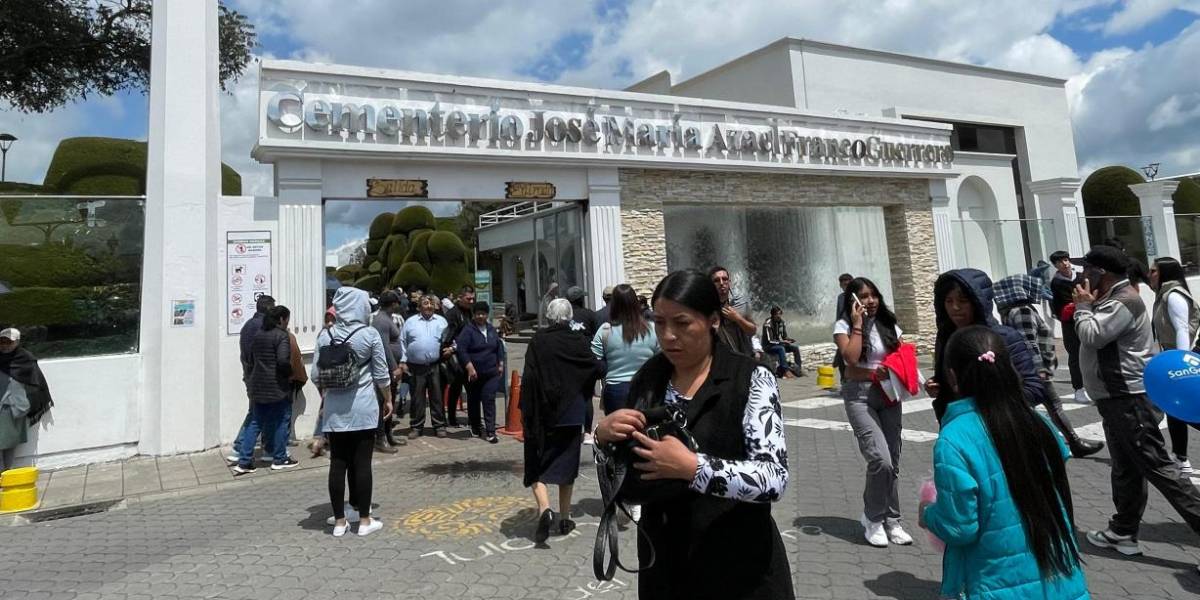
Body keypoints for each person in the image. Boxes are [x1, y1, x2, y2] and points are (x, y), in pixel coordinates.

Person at [595, 270, 793, 599]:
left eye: (682, 323)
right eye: (659, 322)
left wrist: (693, 467)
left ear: (713, 320)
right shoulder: (649, 378)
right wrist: (604, 438)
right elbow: (624, 472)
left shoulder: (751, 379)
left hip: (741, 567)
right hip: (665, 564)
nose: (668, 335)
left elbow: (775, 477)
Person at [919, 326, 1088, 599]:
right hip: (1062, 580)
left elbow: (960, 526)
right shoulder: (1039, 423)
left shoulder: (954, 439)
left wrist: (927, 513)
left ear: (952, 377)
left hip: (994, 584)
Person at [1073, 246, 1200, 560]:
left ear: (1100, 273)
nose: (1081, 275)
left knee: (1159, 467)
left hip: (1127, 398)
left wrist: (1081, 308)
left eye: (1085, 269)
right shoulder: (1109, 299)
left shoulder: (1123, 300)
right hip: (1114, 399)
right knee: (1126, 468)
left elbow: (1092, 335)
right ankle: (1123, 530)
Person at [833, 277, 913, 547]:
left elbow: (903, 356)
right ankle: (873, 517)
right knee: (880, 459)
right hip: (860, 396)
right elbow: (851, 362)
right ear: (853, 301)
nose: (870, 301)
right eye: (863, 296)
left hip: (890, 394)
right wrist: (858, 324)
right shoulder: (843, 326)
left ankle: (893, 521)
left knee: (894, 461)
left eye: (873, 295)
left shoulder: (889, 324)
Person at [994, 274, 1103, 458]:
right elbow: (1028, 343)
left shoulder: (1013, 311)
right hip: (1035, 371)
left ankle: (1057, 443)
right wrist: (1040, 370)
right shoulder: (1022, 311)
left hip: (1025, 371)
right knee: (1053, 406)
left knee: (1040, 408)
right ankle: (1072, 443)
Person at [312, 287, 392, 537]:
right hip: (364, 408)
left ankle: (339, 522)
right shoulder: (369, 334)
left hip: (335, 412)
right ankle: (365, 521)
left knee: (337, 464)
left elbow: (316, 375)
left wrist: (326, 396)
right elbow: (381, 374)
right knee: (362, 465)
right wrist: (388, 400)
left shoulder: (326, 335)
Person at [521, 298, 601, 542]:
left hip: (543, 413)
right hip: (571, 411)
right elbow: (595, 369)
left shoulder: (539, 341)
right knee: (567, 464)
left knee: (537, 464)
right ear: (570, 317)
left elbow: (529, 378)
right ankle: (565, 517)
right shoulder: (577, 340)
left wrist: (526, 411)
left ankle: (545, 510)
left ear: (548, 316)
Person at [926, 269, 1046, 424]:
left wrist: (993, 404)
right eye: (949, 301)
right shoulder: (945, 337)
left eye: (962, 301)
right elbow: (950, 383)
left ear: (978, 302)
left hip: (1003, 427)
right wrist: (937, 386)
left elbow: (1034, 388)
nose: (955, 307)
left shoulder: (1004, 337)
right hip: (959, 426)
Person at [235, 305, 299, 473]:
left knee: (256, 422)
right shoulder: (281, 336)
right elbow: (283, 361)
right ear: (281, 319)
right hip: (277, 386)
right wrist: (290, 374)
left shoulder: (258, 335)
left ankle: (244, 461)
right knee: (281, 421)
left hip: (258, 384)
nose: (287, 323)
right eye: (287, 319)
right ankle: (279, 458)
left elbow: (250, 359)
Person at [1151, 257, 1200, 474]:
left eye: (1154, 271)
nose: (1150, 274)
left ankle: (1180, 457)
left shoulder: (1173, 296)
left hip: (1178, 358)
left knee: (1185, 410)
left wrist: (1180, 364)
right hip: (1171, 357)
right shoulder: (1164, 295)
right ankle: (1180, 457)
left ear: (1165, 273)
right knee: (1175, 409)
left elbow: (1182, 329)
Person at [229, 294, 276, 462]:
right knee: (261, 414)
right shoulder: (262, 327)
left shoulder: (248, 325)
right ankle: (247, 447)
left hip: (250, 375)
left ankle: (242, 446)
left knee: (255, 412)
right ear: (269, 309)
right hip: (260, 377)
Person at [0, 328, 53, 470]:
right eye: (2, 341)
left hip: (13, 410)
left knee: (8, 445)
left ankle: (5, 476)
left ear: (17, 342)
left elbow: (37, 383)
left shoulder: (25, 359)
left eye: (9, 342)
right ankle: (4, 477)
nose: (5, 345)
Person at [456, 301, 505, 443]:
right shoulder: (468, 330)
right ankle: (475, 426)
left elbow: (498, 347)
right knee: (474, 400)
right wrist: (469, 366)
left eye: (483, 313)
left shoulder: (491, 329)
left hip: (491, 372)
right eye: (478, 314)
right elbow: (461, 349)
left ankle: (490, 431)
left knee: (489, 400)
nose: (480, 316)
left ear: (487, 315)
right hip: (474, 374)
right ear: (474, 315)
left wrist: (500, 363)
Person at [403, 295, 449, 438]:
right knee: (417, 398)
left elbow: (451, 339)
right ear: (419, 306)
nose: (429, 306)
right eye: (425, 303)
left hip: (435, 366)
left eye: (431, 303)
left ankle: (439, 425)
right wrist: (403, 361)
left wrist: (452, 348)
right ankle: (416, 427)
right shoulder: (410, 322)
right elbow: (402, 342)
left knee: (437, 397)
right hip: (416, 367)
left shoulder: (442, 321)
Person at [1049, 251, 1090, 405]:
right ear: (1056, 266)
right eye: (1060, 262)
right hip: (1069, 323)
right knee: (1075, 355)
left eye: (1066, 260)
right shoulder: (1057, 283)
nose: (1065, 264)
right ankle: (1078, 389)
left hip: (1087, 317)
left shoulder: (1080, 277)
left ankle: (1092, 386)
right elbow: (1066, 303)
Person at [370, 291, 406, 453]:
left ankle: (388, 434)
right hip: (385, 369)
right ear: (393, 304)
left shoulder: (387, 318)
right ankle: (380, 438)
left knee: (389, 402)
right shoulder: (381, 321)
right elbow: (384, 347)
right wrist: (394, 367)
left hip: (391, 367)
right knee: (382, 403)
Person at [443, 285, 476, 428]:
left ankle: (473, 418)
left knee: (472, 389)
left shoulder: (471, 312)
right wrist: (452, 348)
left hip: (470, 355)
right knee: (455, 388)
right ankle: (451, 418)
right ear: (460, 297)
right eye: (468, 298)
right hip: (456, 356)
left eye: (473, 298)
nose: (471, 301)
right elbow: (449, 336)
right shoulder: (452, 314)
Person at [708, 266, 756, 357]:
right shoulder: (706, 306)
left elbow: (752, 331)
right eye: (717, 280)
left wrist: (737, 318)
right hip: (720, 358)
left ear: (729, 282)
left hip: (743, 356)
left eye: (725, 279)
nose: (722, 283)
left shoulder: (742, 302)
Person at [762, 306, 803, 378]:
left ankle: (798, 369)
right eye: (777, 314)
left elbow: (784, 336)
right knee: (781, 348)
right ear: (773, 315)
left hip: (778, 344)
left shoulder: (781, 322)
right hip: (768, 346)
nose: (779, 316)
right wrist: (783, 342)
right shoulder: (768, 324)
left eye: (780, 314)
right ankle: (786, 371)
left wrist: (789, 340)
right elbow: (770, 340)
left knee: (795, 348)